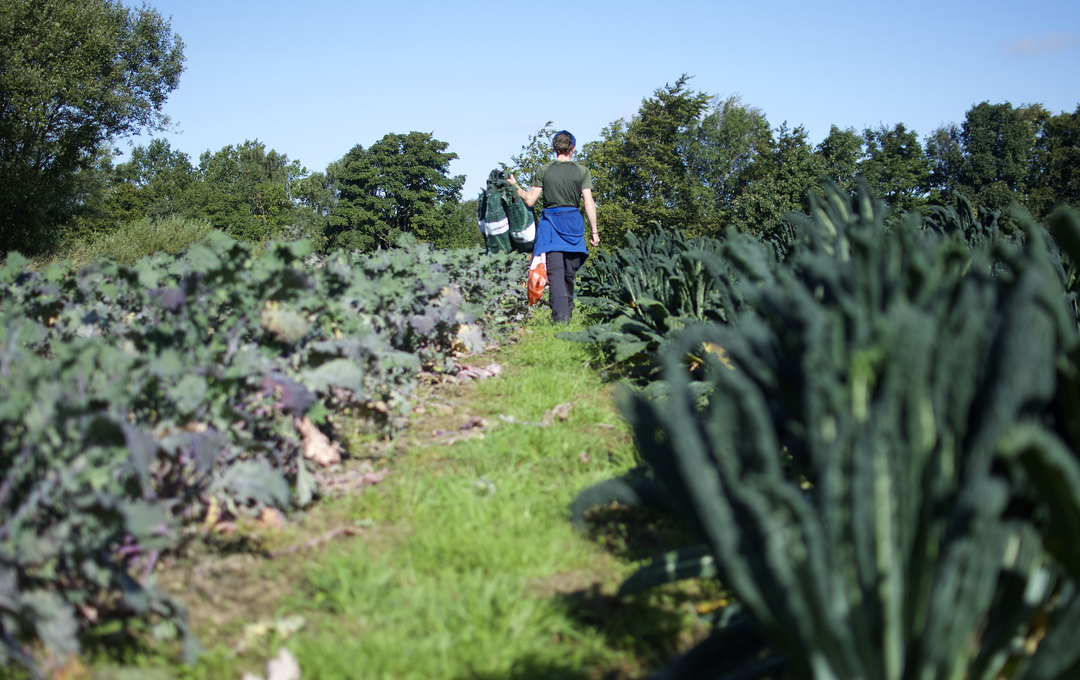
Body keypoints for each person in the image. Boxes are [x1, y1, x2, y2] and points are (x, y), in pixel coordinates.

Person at [507, 130, 600, 323]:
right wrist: (594, 232)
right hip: (573, 226)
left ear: (554, 148)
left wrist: (516, 186)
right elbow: (589, 203)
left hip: (550, 226)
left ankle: (561, 318)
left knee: (556, 275)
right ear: (573, 148)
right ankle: (563, 318)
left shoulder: (544, 170)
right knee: (568, 275)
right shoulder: (582, 171)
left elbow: (530, 200)